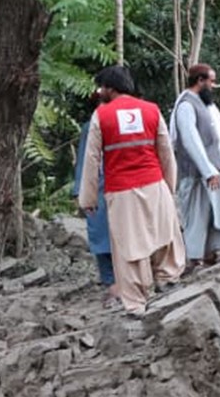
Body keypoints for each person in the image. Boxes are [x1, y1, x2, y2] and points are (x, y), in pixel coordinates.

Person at [77, 66, 186, 316]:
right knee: (165, 234)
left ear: (109, 88)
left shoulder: (101, 116)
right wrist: (169, 187)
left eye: (101, 87)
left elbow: (91, 160)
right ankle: (167, 278)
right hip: (154, 183)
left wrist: (88, 198)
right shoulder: (151, 110)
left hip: (121, 190)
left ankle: (136, 303)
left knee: (129, 246)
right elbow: (166, 152)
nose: (99, 91)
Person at [170, 63, 220, 269]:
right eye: (211, 81)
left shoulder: (203, 103)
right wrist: (208, 170)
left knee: (217, 213)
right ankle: (193, 259)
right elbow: (191, 141)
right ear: (200, 81)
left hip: (214, 169)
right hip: (196, 173)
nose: (214, 85)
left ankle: (212, 254)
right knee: (196, 217)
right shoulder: (186, 105)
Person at [73, 100, 116, 309]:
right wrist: (80, 192)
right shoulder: (90, 126)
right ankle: (110, 283)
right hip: (98, 186)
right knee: (101, 236)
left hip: (121, 184)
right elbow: (84, 160)